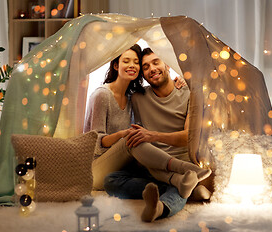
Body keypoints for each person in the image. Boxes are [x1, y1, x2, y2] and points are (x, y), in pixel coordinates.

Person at [84, 45, 210, 196]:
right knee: (133, 139)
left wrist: (182, 78)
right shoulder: (103, 95)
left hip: (123, 165)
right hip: (96, 167)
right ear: (116, 65)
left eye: (136, 62)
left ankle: (179, 183)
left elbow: (189, 135)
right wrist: (124, 134)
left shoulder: (133, 97)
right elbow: (95, 143)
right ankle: (186, 172)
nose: (132, 65)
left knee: (139, 160)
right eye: (126, 61)